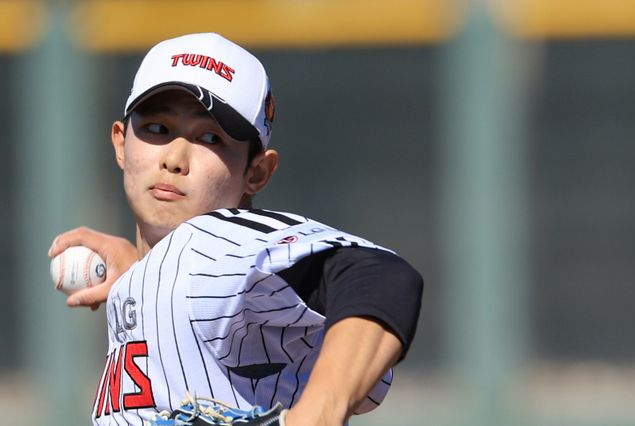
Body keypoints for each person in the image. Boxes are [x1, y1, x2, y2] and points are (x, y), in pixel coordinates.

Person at [48, 33, 423, 426]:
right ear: (121, 143)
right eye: (158, 128)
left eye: (210, 138)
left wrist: (316, 415)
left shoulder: (205, 246)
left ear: (256, 172)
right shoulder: (168, 274)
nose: (175, 158)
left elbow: (381, 277)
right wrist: (142, 272)